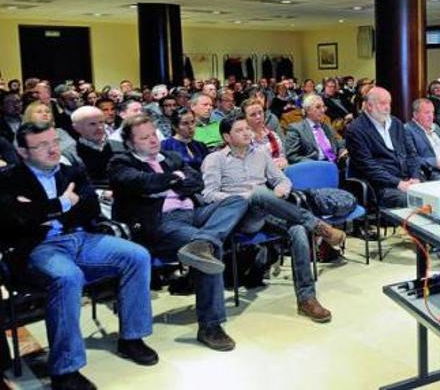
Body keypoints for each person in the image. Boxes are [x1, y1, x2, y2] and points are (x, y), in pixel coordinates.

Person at [0, 122, 157, 390]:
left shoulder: (72, 171)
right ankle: (66, 370)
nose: (52, 149)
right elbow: (15, 219)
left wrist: (39, 211)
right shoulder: (7, 179)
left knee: (137, 256)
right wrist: (62, 204)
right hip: (37, 248)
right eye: (42, 145)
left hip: (80, 238)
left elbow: (89, 209)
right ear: (22, 151)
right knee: (68, 277)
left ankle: (132, 338)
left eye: (54, 142)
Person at [109, 114, 248, 352]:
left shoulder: (170, 156)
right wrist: (174, 179)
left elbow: (197, 181)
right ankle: (211, 326)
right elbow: (142, 182)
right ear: (131, 143)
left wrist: (168, 181)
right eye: (144, 138)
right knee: (211, 250)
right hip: (160, 223)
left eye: (154, 134)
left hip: (193, 213)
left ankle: (202, 241)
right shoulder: (121, 162)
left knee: (236, 201)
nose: (153, 140)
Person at [201, 114, 345, 322]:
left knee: (297, 229)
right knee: (257, 193)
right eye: (239, 130)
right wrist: (244, 197)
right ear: (226, 137)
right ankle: (319, 226)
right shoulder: (215, 160)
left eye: (246, 129)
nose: (246, 133)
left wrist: (281, 188)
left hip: (268, 210)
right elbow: (209, 195)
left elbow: (282, 179)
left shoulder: (260, 154)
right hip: (239, 218)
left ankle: (306, 298)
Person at [346, 87, 420, 207]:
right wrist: (398, 183)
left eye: (389, 103)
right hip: (380, 186)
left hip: (406, 180)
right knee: (416, 201)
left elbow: (412, 154)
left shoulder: (396, 123)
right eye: (382, 103)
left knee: (434, 195)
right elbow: (368, 166)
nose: (388, 108)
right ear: (369, 106)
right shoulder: (356, 130)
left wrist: (415, 176)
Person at [284, 94, 346, 166]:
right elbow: (292, 156)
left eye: (323, 107)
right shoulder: (296, 129)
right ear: (308, 110)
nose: (322, 110)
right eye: (318, 107)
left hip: (335, 164)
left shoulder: (326, 127)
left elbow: (338, 143)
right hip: (313, 167)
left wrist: (342, 151)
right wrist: (315, 164)